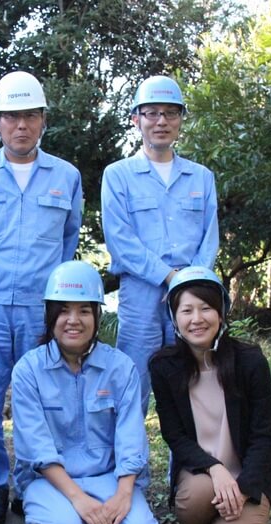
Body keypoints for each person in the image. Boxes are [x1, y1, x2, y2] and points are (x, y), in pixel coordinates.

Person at [0, 71, 83, 524]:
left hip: (40, 308)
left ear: (43, 120)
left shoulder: (66, 176)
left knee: (40, 400)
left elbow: (68, 240)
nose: (20, 125)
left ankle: (31, 484)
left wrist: (48, 294)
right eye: (10, 117)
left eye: (29, 115)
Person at [11, 261, 159, 524]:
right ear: (50, 315)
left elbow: (131, 436)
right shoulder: (29, 370)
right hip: (50, 482)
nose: (73, 320)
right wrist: (78, 497)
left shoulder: (121, 367)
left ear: (97, 315)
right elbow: (35, 446)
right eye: (63, 310)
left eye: (84, 310)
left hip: (107, 477)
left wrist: (123, 492)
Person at [149, 267, 271, 524]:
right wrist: (215, 468)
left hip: (249, 473)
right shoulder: (164, 366)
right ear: (175, 318)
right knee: (195, 497)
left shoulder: (250, 361)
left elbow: (263, 437)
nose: (196, 318)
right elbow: (174, 435)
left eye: (206, 308)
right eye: (186, 310)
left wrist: (243, 489)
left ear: (222, 313)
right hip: (202, 472)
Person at [102, 75, 220, 414]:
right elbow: (121, 241)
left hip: (191, 297)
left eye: (170, 113)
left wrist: (190, 284)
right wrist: (171, 279)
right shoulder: (118, 175)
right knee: (131, 388)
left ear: (181, 119)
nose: (161, 121)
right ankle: (130, 468)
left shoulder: (201, 177)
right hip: (140, 295)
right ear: (135, 119)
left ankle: (188, 469)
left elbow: (209, 237)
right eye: (151, 113)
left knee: (191, 389)